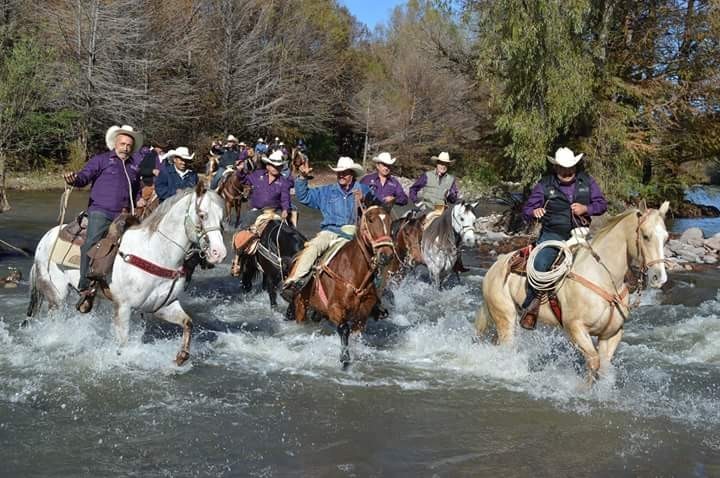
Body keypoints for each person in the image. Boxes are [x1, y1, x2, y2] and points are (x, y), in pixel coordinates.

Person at [518, 147, 608, 330]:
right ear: (556, 167)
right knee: (541, 264)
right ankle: (531, 307)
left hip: (581, 233)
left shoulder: (587, 181)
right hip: (553, 234)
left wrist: (586, 209)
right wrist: (534, 212)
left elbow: (601, 204)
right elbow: (527, 210)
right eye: (563, 168)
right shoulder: (545, 184)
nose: (567, 172)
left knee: (605, 262)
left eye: (570, 168)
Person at [62, 125, 145, 312]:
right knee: (91, 242)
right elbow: (84, 177)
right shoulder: (101, 160)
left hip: (124, 214)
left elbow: (137, 189)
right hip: (101, 210)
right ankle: (85, 288)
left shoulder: (133, 166)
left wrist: (139, 199)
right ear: (115, 144)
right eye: (123, 144)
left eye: (129, 145)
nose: (126, 148)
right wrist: (74, 179)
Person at [281, 156, 375, 298]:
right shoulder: (327, 191)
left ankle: (376, 295)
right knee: (313, 247)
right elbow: (305, 197)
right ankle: (295, 282)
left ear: (352, 174)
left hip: (355, 234)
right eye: (339, 172)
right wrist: (302, 178)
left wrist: (365, 200)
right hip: (330, 231)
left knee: (375, 256)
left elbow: (376, 208)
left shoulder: (363, 190)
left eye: (345, 172)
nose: (341, 175)